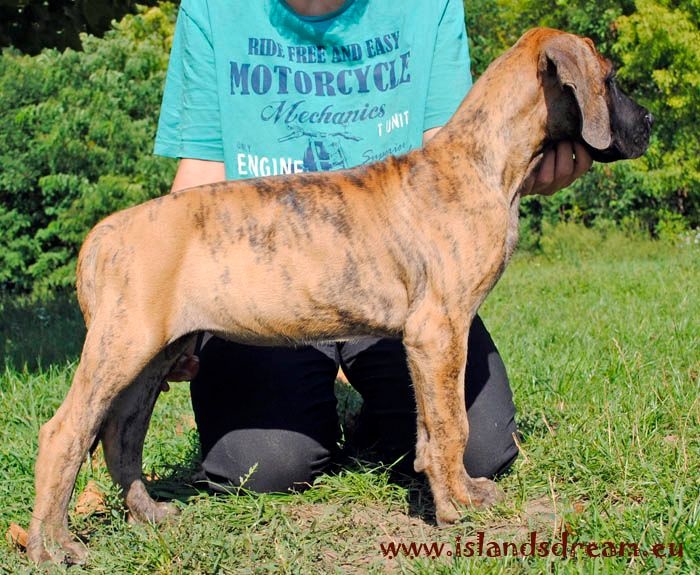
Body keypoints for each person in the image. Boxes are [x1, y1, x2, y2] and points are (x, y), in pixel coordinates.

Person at [154, 0, 592, 493]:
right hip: (269, 285)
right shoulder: (212, 9)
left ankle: (373, 406)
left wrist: (526, 172)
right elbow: (201, 178)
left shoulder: (429, 6)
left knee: (482, 448)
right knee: (264, 466)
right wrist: (172, 307)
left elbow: (452, 167)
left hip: (392, 277)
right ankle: (338, 396)